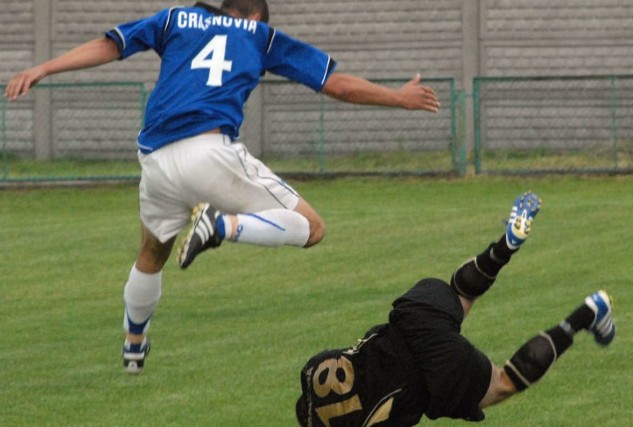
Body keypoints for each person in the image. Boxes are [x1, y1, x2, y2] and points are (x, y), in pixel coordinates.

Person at [5, 1, 441, 374]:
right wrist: (399, 97)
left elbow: (111, 44)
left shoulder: (177, 18)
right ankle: (222, 226)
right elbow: (336, 84)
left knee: (151, 253)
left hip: (156, 161)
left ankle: (134, 346)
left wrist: (44, 67)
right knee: (311, 227)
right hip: (209, 153)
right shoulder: (259, 34)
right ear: (254, 14)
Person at [296, 191, 616, 426]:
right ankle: (505, 246)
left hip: (432, 373)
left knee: (503, 383)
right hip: (411, 319)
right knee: (460, 292)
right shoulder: (313, 370)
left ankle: (586, 315)